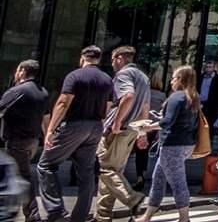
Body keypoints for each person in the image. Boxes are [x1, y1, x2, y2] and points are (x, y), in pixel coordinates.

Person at [39, 45, 112, 222]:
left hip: (74, 124)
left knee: (46, 164)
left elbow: (63, 102)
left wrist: (50, 130)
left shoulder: (75, 76)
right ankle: (79, 217)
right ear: (98, 59)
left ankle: (56, 211)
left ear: (82, 58)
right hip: (95, 126)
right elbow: (109, 106)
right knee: (87, 172)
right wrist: (100, 126)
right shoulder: (107, 79)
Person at [132, 66, 200, 222]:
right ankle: (147, 216)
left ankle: (184, 218)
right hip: (185, 144)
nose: (171, 81)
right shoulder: (193, 97)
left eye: (174, 78)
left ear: (181, 80)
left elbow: (168, 122)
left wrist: (148, 127)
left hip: (172, 145)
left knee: (177, 182)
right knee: (158, 179)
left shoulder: (177, 97)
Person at [97, 45, 150, 222]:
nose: (112, 64)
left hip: (119, 130)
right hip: (132, 130)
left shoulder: (124, 74)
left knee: (104, 167)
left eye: (113, 60)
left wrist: (117, 122)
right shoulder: (143, 77)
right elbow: (145, 107)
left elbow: (128, 96)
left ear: (119, 58)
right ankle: (102, 216)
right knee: (113, 172)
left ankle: (133, 198)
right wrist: (142, 133)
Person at [0, 59, 48, 220]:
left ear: (22, 70)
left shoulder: (17, 91)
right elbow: (45, 117)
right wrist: (47, 136)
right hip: (32, 141)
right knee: (20, 176)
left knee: (20, 177)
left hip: (17, 141)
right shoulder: (43, 91)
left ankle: (33, 215)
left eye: (17, 70)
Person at [198, 63, 218, 138]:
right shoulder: (201, 77)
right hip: (200, 104)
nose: (208, 69)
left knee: (209, 124)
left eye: (210, 67)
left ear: (213, 68)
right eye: (207, 67)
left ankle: (208, 140)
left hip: (212, 105)